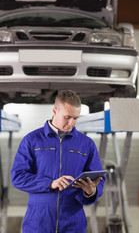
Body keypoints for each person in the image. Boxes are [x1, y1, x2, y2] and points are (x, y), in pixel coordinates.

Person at [11, 90, 105, 233]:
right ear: (55, 111)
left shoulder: (86, 144)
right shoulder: (32, 140)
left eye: (75, 118)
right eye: (67, 117)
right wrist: (50, 183)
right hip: (38, 222)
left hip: (73, 223)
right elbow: (18, 177)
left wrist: (91, 191)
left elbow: (99, 179)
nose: (71, 123)